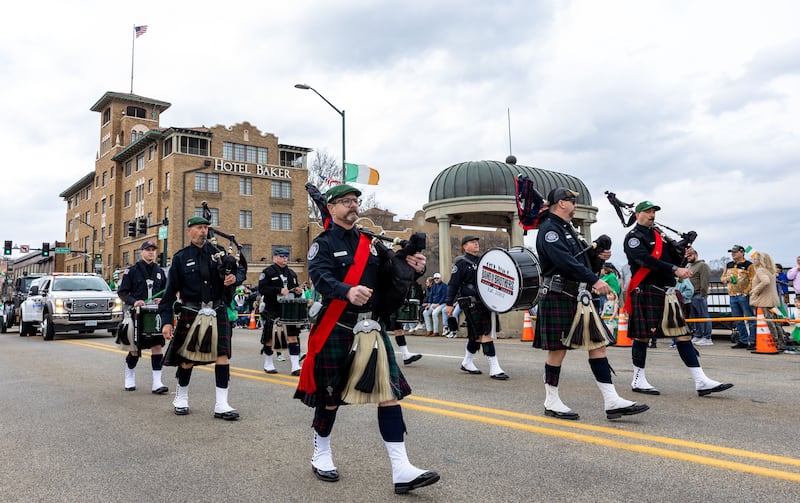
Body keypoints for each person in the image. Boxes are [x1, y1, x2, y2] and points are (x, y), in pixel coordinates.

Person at [293, 184, 439, 494]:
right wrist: (346, 290)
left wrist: (412, 268)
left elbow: (391, 276)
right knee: (330, 398)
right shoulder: (324, 243)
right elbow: (319, 277)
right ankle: (321, 453)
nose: (353, 205)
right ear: (331, 208)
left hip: (370, 329)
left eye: (356, 201)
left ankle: (401, 469)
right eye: (346, 201)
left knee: (388, 394)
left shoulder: (371, 244)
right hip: (337, 327)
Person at [534, 187, 647, 420]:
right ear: (561, 204)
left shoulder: (570, 230)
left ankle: (612, 401)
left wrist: (597, 259)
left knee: (598, 345)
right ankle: (551, 400)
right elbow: (563, 262)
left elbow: (581, 263)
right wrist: (594, 279)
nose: (574, 205)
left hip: (578, 297)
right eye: (571, 201)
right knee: (558, 351)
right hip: (559, 294)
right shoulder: (549, 230)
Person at [624, 200, 733, 397]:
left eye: (653, 211)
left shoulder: (660, 236)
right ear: (638, 214)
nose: (652, 215)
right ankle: (638, 379)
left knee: (683, 334)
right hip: (647, 289)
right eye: (648, 211)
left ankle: (701, 381)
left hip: (667, 291)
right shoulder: (633, 237)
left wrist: (686, 247)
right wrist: (675, 269)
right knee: (643, 336)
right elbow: (645, 260)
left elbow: (674, 260)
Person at [158, 216, 246, 420]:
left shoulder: (219, 253)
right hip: (191, 312)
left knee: (222, 357)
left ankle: (221, 404)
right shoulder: (180, 258)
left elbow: (239, 271)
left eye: (206, 228)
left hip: (218, 310)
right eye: (199, 228)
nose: (203, 231)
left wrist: (235, 278)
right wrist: (167, 321)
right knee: (188, 359)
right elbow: (169, 294)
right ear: (190, 231)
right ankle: (181, 397)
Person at [445, 235, 509, 380]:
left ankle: (467, 362)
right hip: (471, 302)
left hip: (486, 301)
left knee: (476, 335)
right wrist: (449, 303)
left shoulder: (483, 261)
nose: (476, 244)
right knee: (485, 333)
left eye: (476, 242)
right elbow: (453, 284)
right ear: (464, 246)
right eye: (472, 243)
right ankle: (494, 368)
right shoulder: (460, 263)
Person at [116, 240, 168, 393]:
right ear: (142, 252)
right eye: (148, 249)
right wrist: (134, 301)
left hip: (154, 314)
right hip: (137, 314)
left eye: (153, 250)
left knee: (157, 346)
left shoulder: (160, 271)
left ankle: (157, 382)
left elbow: (166, 290)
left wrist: (163, 298)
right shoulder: (131, 271)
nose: (151, 252)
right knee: (134, 348)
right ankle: (129, 377)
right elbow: (123, 292)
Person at [259, 247, 305, 375]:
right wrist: (278, 290)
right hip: (273, 309)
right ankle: (268, 363)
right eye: (282, 256)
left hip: (289, 310)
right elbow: (262, 289)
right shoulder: (267, 272)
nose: (285, 258)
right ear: (275, 257)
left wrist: (297, 291)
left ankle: (295, 366)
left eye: (286, 256)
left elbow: (294, 290)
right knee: (270, 338)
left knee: (293, 337)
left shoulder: (292, 274)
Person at [720, 245, 757, 349]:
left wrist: (746, 292)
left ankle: (753, 340)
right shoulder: (729, 264)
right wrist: (725, 279)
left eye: (735, 252)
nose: (733, 254)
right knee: (738, 319)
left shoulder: (749, 265)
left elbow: (752, 279)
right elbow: (722, 277)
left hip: (744, 295)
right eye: (732, 252)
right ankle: (743, 340)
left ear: (742, 252)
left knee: (750, 319)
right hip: (732, 295)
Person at [749, 251, 787, 351]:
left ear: (760, 261)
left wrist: (755, 290)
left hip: (765, 301)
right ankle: (781, 343)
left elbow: (765, 281)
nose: (754, 261)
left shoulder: (761, 271)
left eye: (755, 259)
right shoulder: (771, 270)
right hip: (773, 300)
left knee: (769, 323)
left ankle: (774, 343)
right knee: (776, 323)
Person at [686, 247, 713, 345]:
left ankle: (707, 337)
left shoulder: (702, 265)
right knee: (695, 317)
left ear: (696, 255)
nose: (688, 257)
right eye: (687, 256)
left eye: (690, 255)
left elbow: (705, 280)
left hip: (699, 295)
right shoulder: (688, 266)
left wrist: (703, 294)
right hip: (691, 296)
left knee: (703, 316)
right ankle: (698, 335)